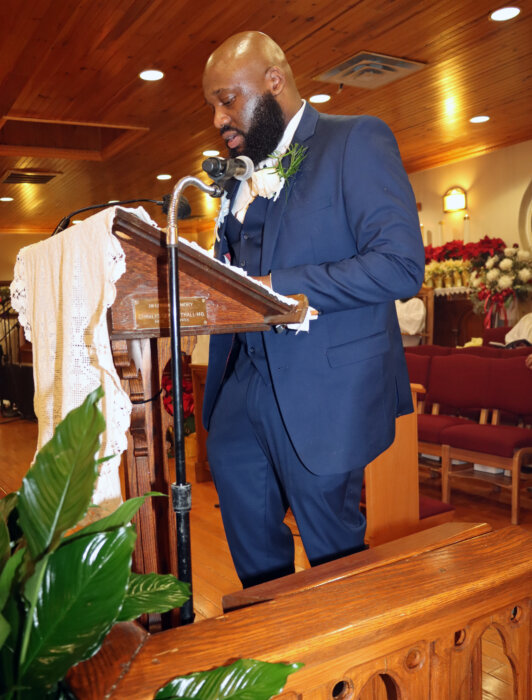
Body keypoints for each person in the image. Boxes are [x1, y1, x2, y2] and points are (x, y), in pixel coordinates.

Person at [201, 31, 425, 588]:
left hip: (324, 389)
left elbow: (401, 265)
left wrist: (281, 286)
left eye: (227, 98)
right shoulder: (241, 174)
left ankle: (350, 671)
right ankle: (277, 660)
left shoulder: (356, 140)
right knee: (252, 548)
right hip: (241, 384)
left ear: (274, 81)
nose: (217, 119)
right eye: (212, 105)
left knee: (334, 557)